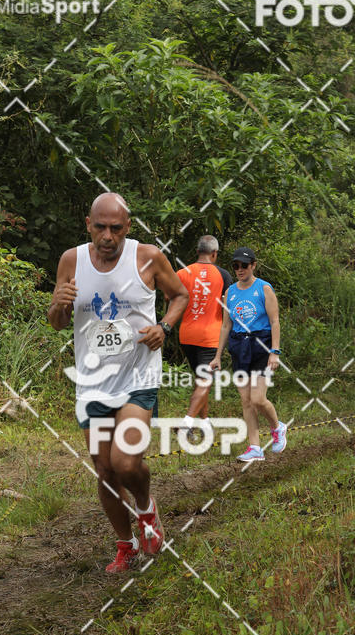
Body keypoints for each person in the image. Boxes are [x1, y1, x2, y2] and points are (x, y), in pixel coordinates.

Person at [48, 193, 189, 573]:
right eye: (100, 227)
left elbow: (179, 295)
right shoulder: (71, 260)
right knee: (105, 469)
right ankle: (125, 546)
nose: (107, 236)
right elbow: (58, 322)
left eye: (115, 228)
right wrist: (58, 303)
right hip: (93, 381)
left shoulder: (147, 257)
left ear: (127, 227)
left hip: (138, 374)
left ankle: (146, 511)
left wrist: (165, 327)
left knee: (126, 463)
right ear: (88, 224)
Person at [209, 247, 286, 462]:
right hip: (239, 345)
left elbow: (274, 321)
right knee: (246, 400)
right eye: (236, 266)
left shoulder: (264, 289)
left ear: (253, 265)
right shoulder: (230, 292)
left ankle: (277, 427)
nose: (240, 269)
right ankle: (255, 447)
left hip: (261, 344)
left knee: (258, 398)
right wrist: (217, 356)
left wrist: (275, 352)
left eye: (244, 265)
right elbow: (225, 326)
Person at [175, 235, 233, 436]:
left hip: (187, 334)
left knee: (201, 380)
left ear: (197, 251)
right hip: (210, 336)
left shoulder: (182, 273)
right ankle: (187, 423)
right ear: (214, 253)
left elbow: (169, 297)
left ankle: (205, 422)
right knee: (205, 381)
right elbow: (228, 306)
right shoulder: (223, 275)